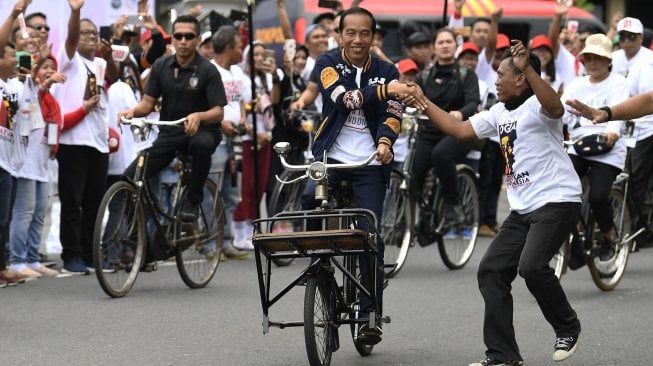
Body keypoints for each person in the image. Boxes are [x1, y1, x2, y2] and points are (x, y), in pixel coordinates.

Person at [403, 41, 582, 365]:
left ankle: (567, 326)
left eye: (502, 75)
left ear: (521, 80)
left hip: (558, 200)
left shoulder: (540, 108)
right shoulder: (499, 112)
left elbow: (556, 108)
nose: (495, 80)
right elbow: (458, 129)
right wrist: (422, 100)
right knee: (491, 271)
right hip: (523, 208)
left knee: (531, 267)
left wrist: (528, 66)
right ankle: (503, 355)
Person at [312, 6, 425, 345]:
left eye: (365, 33)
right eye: (351, 33)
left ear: (373, 36)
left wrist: (387, 141)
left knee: (369, 238)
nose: (358, 39)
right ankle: (320, 280)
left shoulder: (387, 69)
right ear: (340, 34)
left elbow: (393, 113)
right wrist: (389, 90)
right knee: (311, 214)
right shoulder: (326, 64)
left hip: (370, 164)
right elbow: (344, 99)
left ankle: (369, 315)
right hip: (330, 160)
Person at [119, 14, 226, 225]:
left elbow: (218, 112)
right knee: (129, 178)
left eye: (189, 36)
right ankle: (137, 235)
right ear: (173, 39)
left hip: (202, 131)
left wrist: (199, 116)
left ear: (197, 40)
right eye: (179, 36)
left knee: (201, 145)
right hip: (170, 133)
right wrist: (131, 112)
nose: (183, 41)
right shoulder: (160, 65)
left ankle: (192, 201)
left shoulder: (208, 70)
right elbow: (147, 104)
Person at [53, 0, 120, 274]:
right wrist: (76, 12)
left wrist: (111, 57)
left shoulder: (100, 64)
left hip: (97, 141)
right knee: (73, 201)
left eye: (94, 33)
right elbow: (71, 37)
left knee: (94, 202)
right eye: (86, 33)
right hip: (73, 142)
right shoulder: (68, 60)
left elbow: (113, 78)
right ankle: (71, 256)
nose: (91, 37)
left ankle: (89, 254)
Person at [560, 33, 628, 263]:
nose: (592, 62)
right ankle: (576, 240)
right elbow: (560, 112)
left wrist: (613, 132)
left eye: (598, 57)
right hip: (579, 146)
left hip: (607, 148)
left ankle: (609, 237)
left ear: (609, 60)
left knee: (598, 197)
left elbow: (620, 112)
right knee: (561, 193)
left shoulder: (619, 83)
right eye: (588, 57)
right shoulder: (576, 85)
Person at [412, 28, 479, 237]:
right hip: (428, 132)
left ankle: (453, 205)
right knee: (412, 173)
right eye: (440, 42)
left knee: (441, 155)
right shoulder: (423, 76)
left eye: (449, 41)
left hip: (457, 132)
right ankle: (424, 215)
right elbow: (414, 99)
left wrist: (459, 114)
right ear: (434, 47)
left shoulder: (467, 74)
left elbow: (473, 103)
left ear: (455, 45)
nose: (445, 45)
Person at [208, 25, 249, 260]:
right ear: (228, 47)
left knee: (232, 193)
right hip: (216, 140)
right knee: (211, 192)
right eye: (239, 45)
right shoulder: (210, 70)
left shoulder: (237, 73)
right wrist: (221, 122)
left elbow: (241, 101)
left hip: (235, 140)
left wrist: (242, 118)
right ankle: (210, 244)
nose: (241, 49)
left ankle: (225, 241)